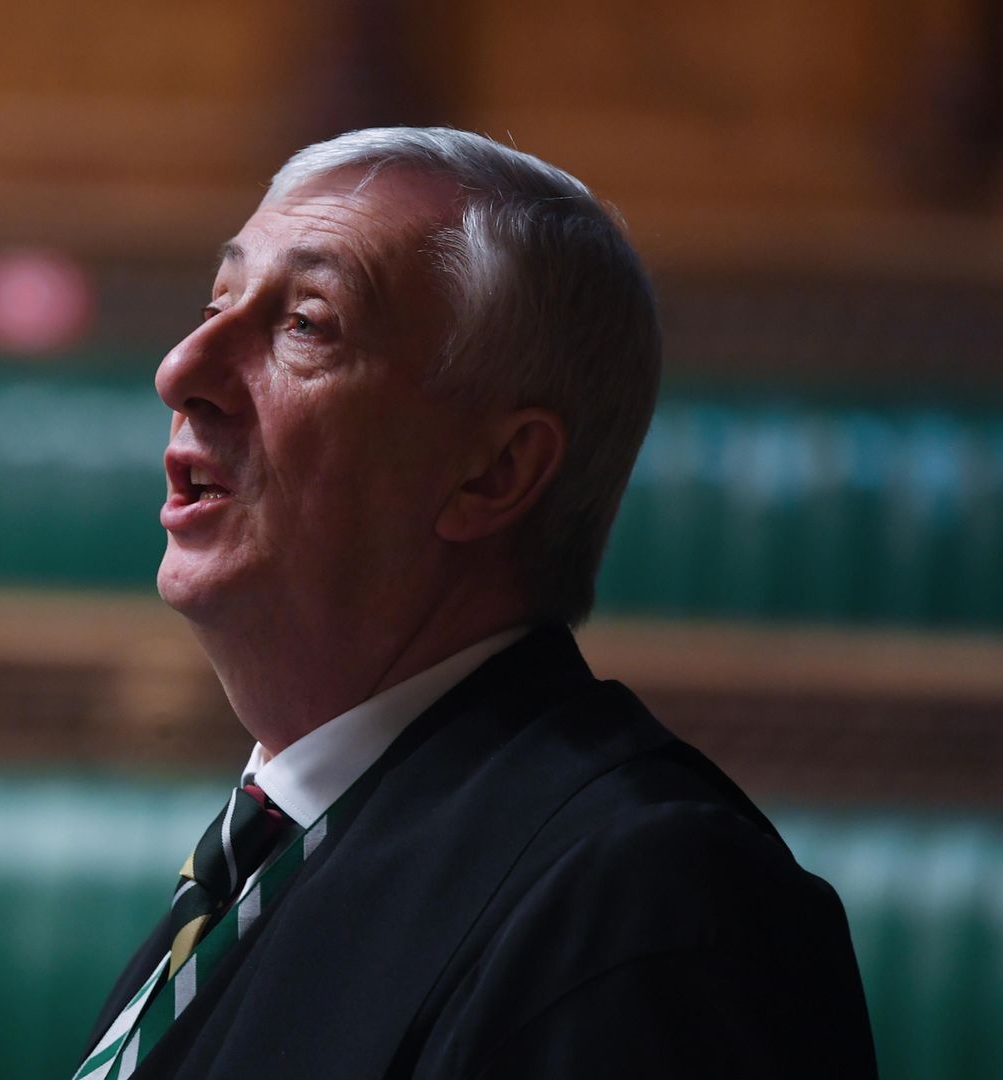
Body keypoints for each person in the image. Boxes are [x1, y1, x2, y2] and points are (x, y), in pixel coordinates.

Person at [74, 128, 877, 1079]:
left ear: (495, 472)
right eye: (216, 302)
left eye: (306, 323)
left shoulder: (650, 902)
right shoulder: (272, 848)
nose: (181, 369)